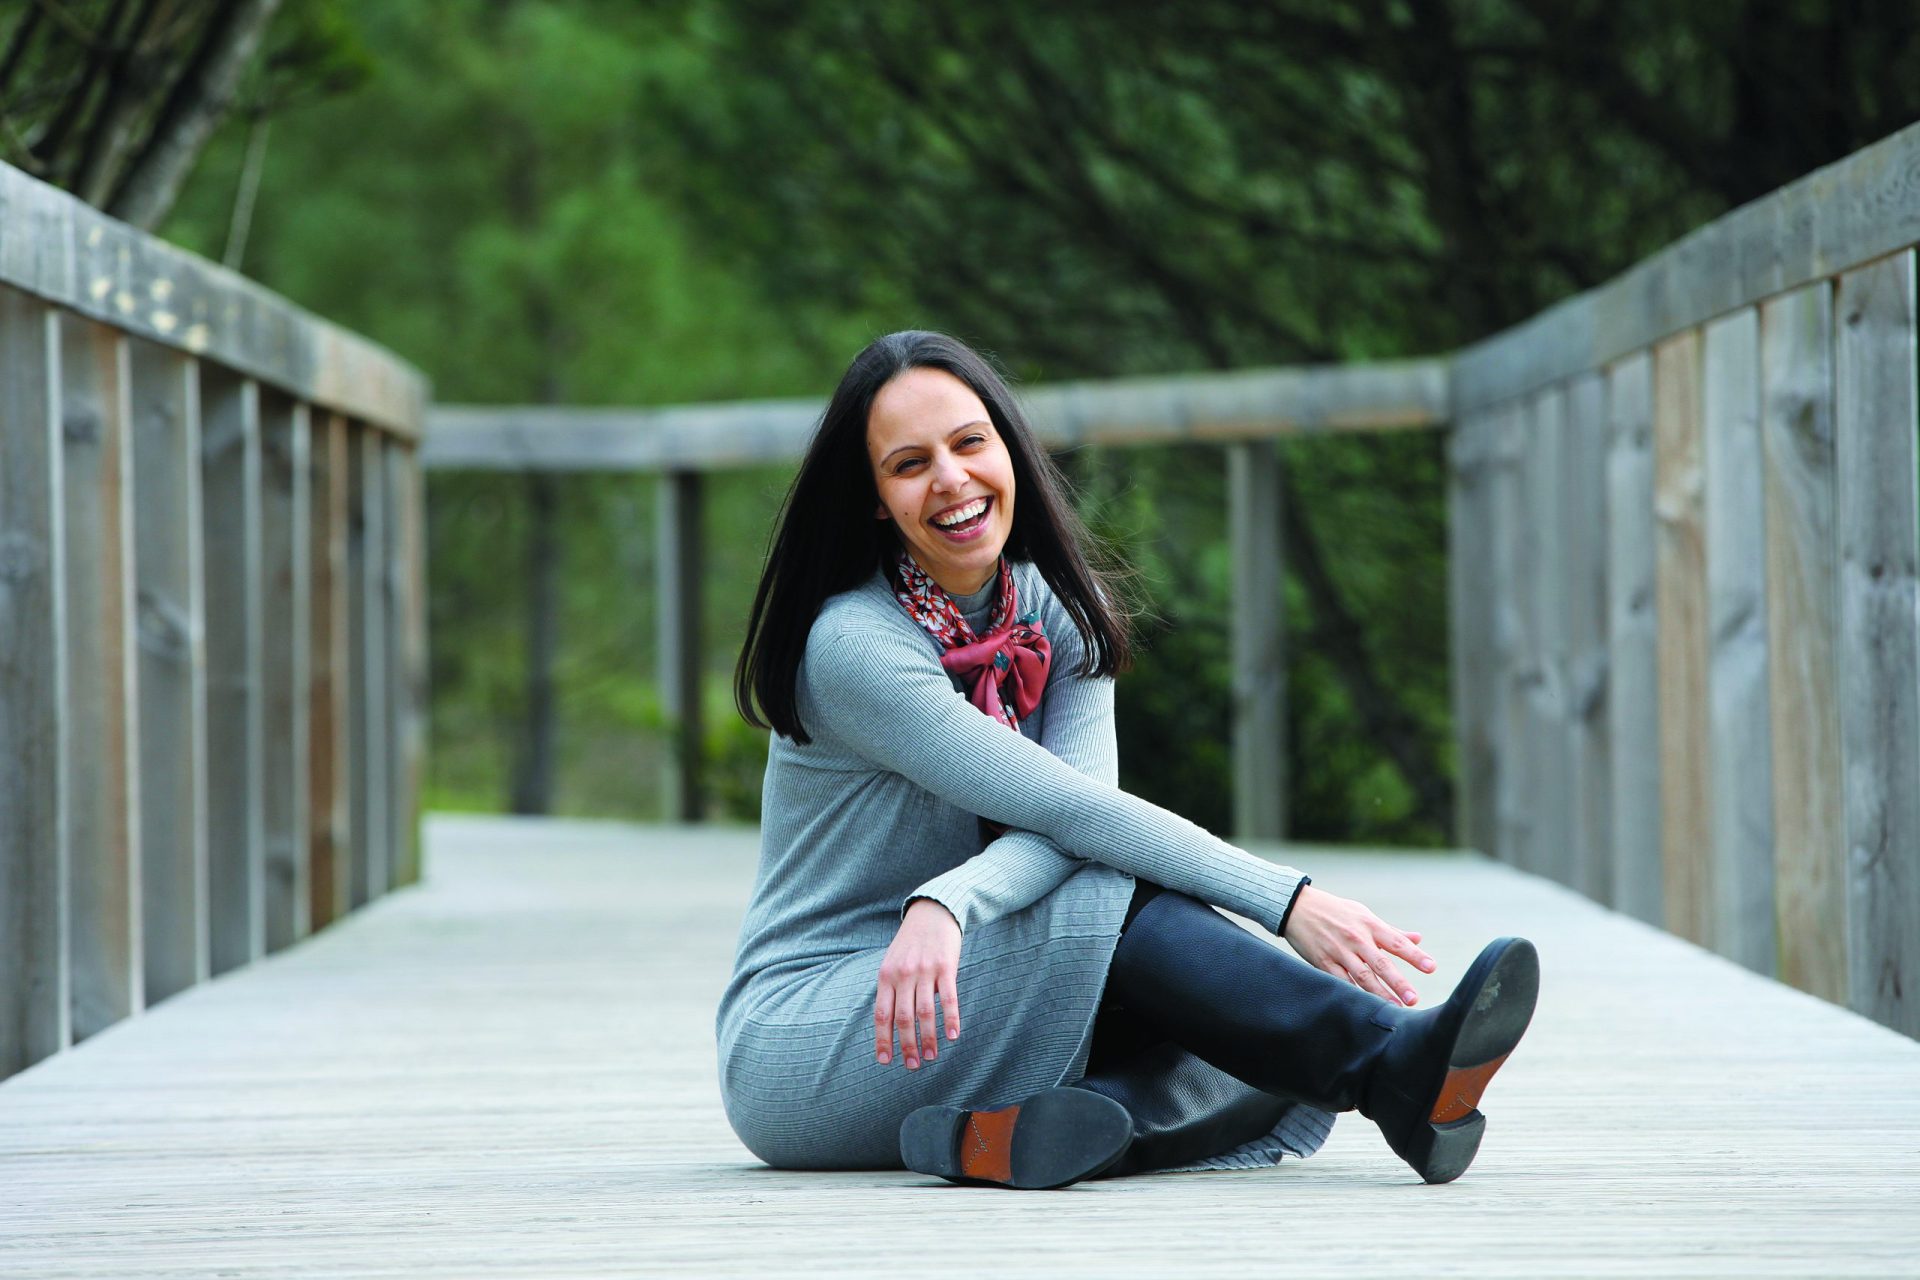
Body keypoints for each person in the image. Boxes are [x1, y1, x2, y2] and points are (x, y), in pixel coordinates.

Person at [718, 330, 1538, 1189]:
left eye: (969, 443)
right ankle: (1392, 1064)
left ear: (1008, 448)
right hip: (825, 1031)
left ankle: (1032, 1134)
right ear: (877, 499)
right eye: (909, 464)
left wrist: (953, 901)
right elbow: (1083, 821)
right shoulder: (857, 645)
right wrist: (1285, 901)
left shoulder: (1060, 609)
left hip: (975, 969)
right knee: (1146, 932)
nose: (952, 480)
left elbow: (1074, 822)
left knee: (1238, 1029)